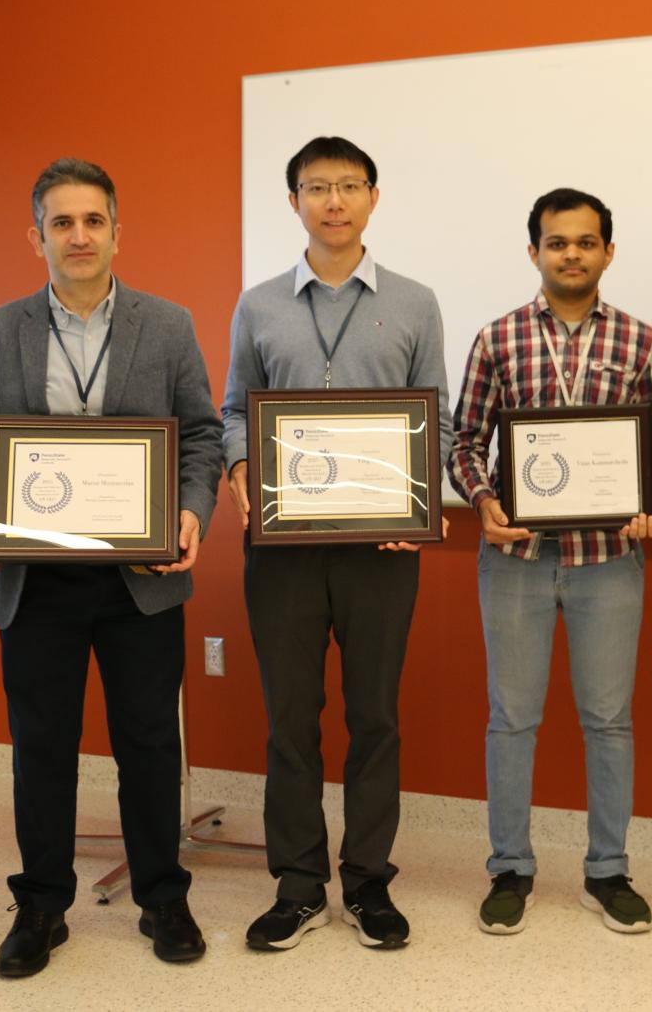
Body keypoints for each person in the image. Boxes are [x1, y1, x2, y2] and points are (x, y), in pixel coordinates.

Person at [0, 157, 223, 976]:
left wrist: (191, 510)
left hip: (142, 579)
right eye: (61, 222)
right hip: (37, 580)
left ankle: (163, 897)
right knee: (42, 745)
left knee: (146, 741)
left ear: (115, 230)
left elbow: (202, 434)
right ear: (36, 235)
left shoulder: (167, 325)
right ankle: (40, 905)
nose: (78, 236)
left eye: (93, 220)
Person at [222, 135, 452, 952]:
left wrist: (416, 505)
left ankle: (367, 882)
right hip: (282, 548)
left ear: (373, 198)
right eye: (316, 187)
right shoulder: (257, 305)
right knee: (290, 717)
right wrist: (243, 466)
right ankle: (297, 884)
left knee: (374, 716)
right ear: (294, 202)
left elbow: (440, 422)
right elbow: (230, 413)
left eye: (349, 185)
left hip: (380, 551)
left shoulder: (417, 302)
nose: (334, 201)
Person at [447, 188, 652, 936]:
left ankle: (607, 870)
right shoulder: (497, 339)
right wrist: (484, 501)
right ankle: (509, 866)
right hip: (517, 559)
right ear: (534, 253)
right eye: (557, 242)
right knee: (511, 719)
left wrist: (648, 497)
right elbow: (462, 443)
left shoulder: (642, 342)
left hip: (610, 559)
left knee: (609, 720)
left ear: (608, 251)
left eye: (586, 241)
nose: (571, 254)